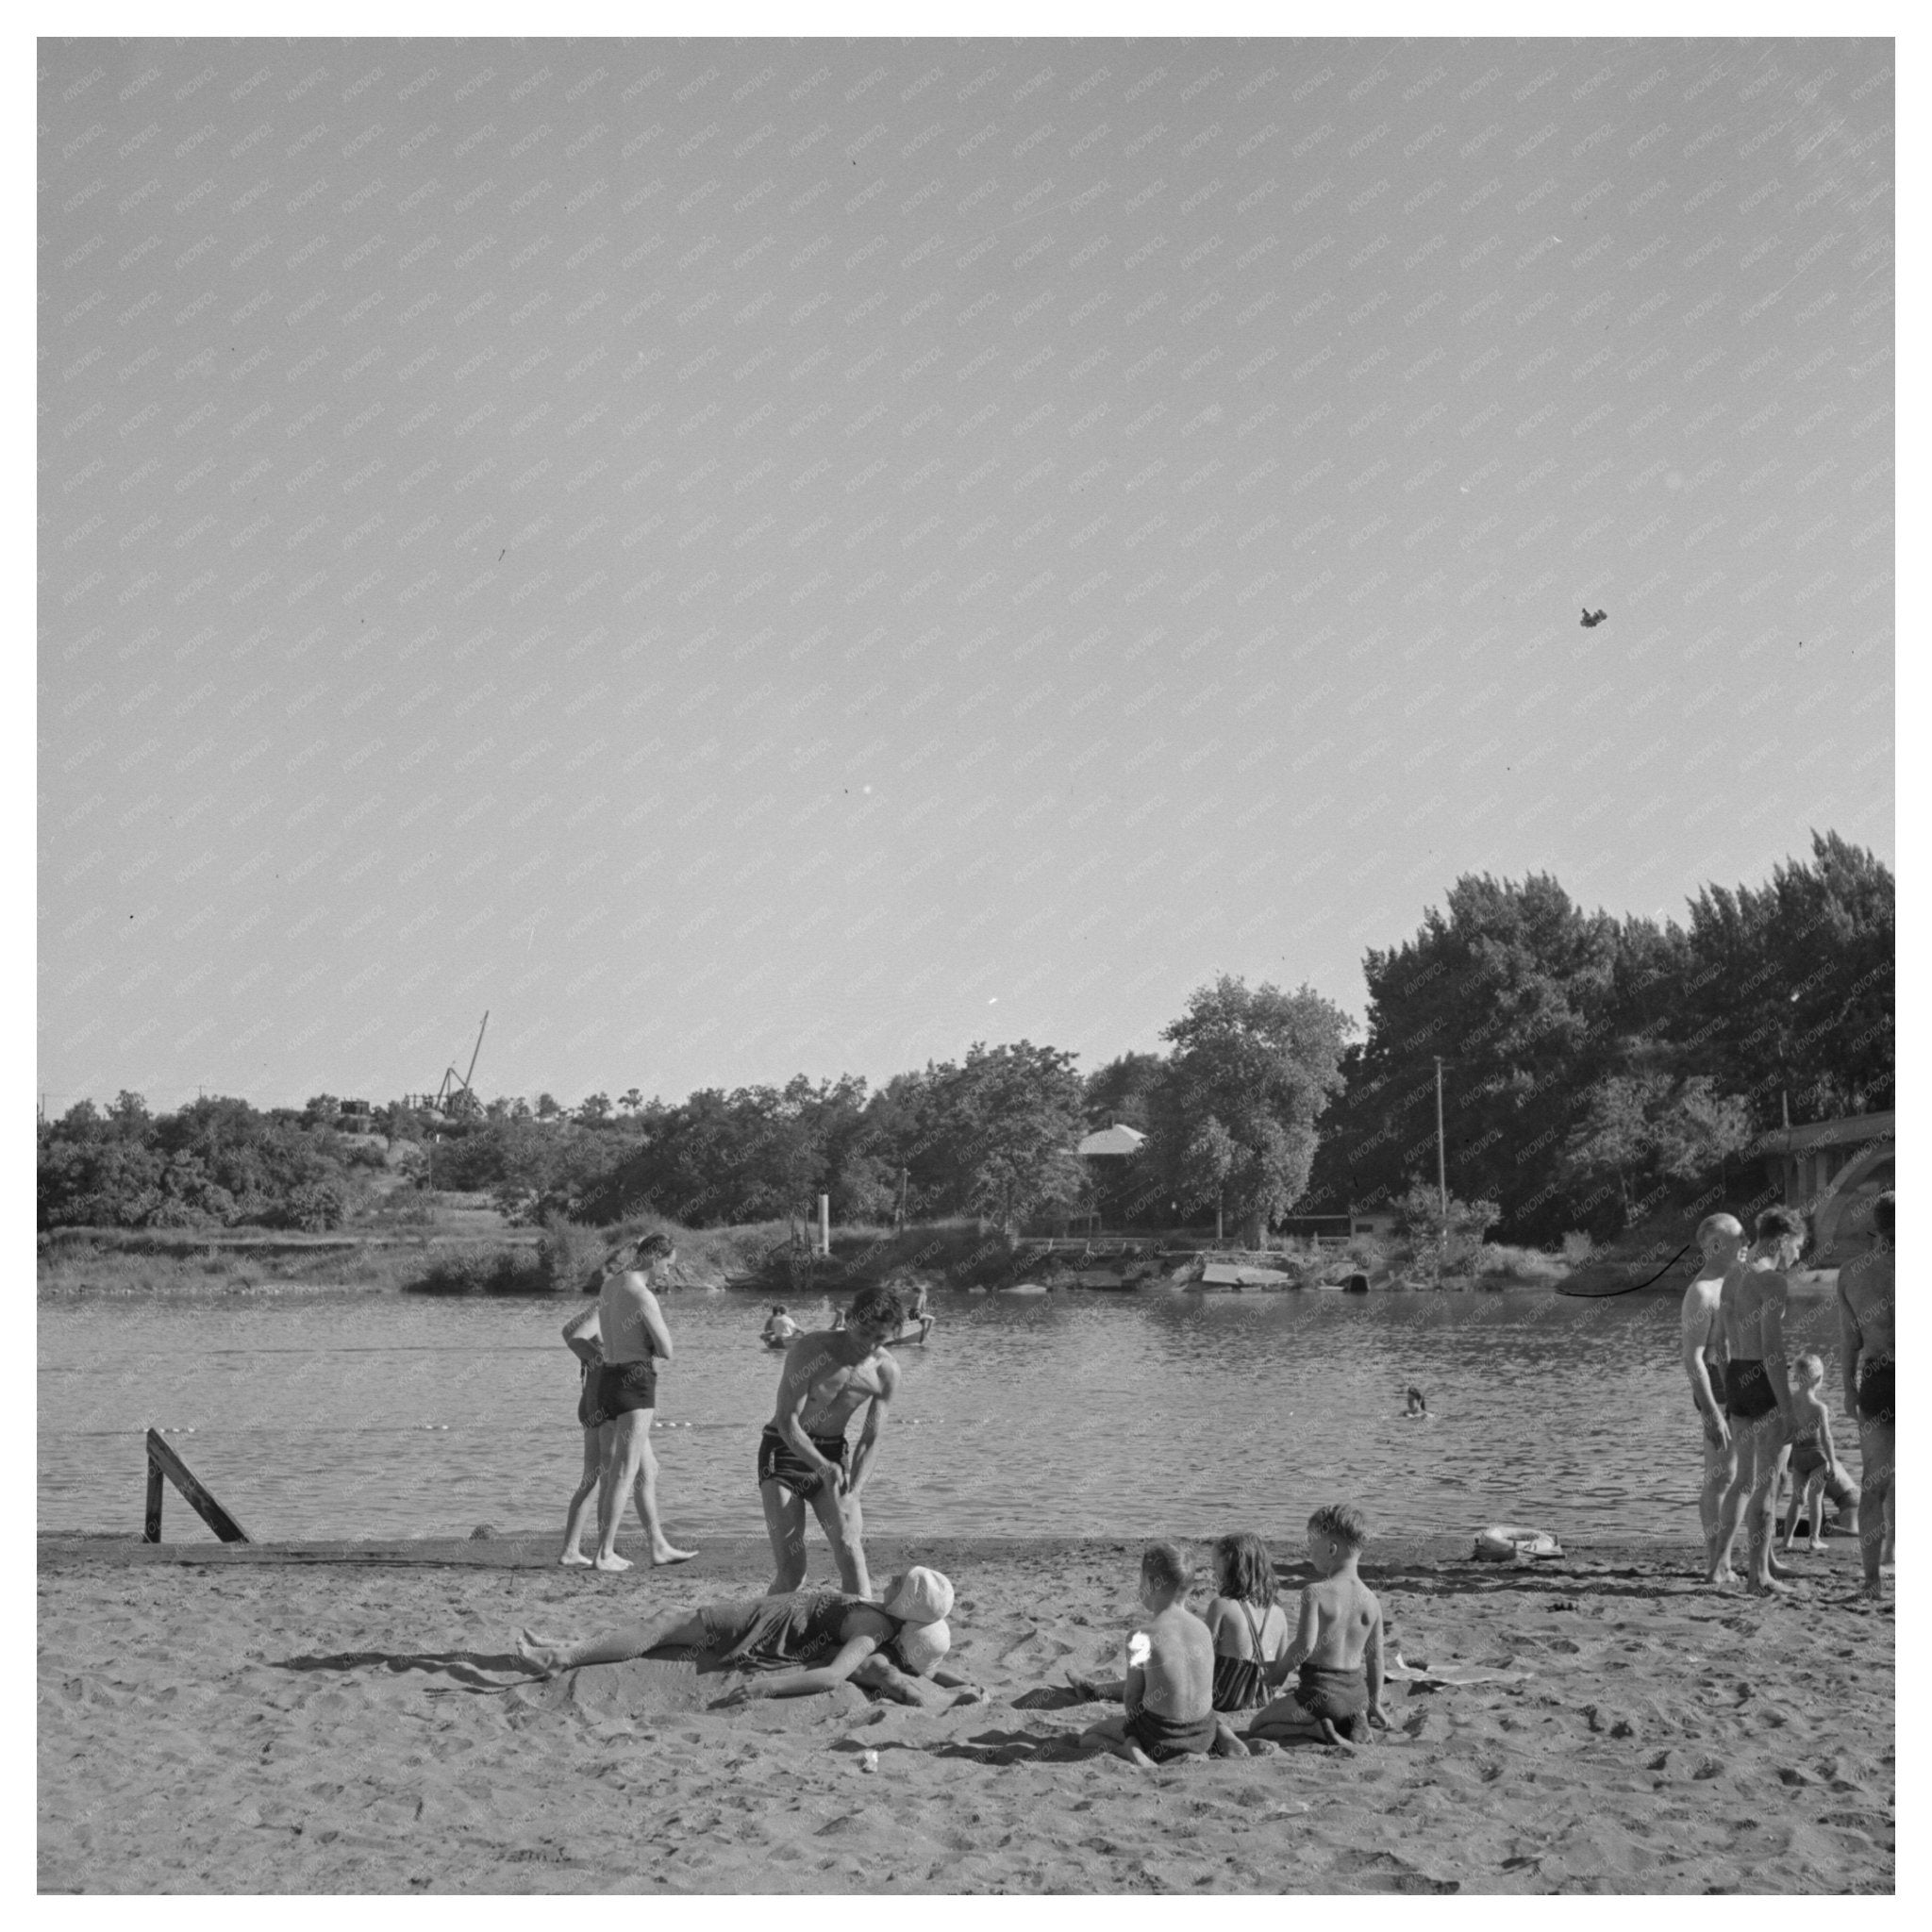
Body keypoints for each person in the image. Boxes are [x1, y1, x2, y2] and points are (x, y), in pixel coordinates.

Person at [516, 1566, 984, 1708]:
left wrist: (764, 1687)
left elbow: (832, 1677)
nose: (893, 1580)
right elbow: (932, 1668)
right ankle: (569, 1644)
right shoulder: (887, 1618)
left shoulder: (873, 1628)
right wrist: (966, 1688)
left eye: (902, 1584)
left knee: (664, 1625)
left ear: (907, 1604)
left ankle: (564, 1657)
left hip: (766, 1626)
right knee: (666, 1626)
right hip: (774, 1613)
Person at [758, 1283, 906, 1597]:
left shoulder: (886, 1371)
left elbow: (871, 1437)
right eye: (864, 1331)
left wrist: (856, 1488)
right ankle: (759, 1632)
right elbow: (787, 1422)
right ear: (850, 1318)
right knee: (793, 1575)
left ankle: (858, 1632)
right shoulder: (811, 1349)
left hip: (834, 1458)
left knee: (851, 1552)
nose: (869, 1343)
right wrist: (823, 1468)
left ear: (892, 1334)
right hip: (784, 1453)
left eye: (879, 1337)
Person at [1708, 1207, 1807, 1594]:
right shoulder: (1771, 1282)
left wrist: (1729, 1387)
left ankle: (1719, 1566)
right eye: (1797, 1248)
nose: (1798, 1258)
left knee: (1742, 1482)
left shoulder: (1732, 1275)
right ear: (1782, 1241)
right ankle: (1758, 1577)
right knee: (1766, 1484)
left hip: (1736, 1377)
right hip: (1763, 1383)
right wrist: (1787, 1410)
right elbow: (1773, 1353)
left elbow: (1719, 1343)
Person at [590, 1234, 696, 1573]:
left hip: (607, 1377)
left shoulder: (610, 1286)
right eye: (667, 1263)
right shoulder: (642, 1294)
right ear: (653, 1256)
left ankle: (658, 1546)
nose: (667, 1271)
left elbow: (608, 1334)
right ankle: (604, 1553)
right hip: (635, 1382)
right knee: (625, 1470)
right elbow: (667, 1349)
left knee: (647, 1469)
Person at [1246, 1504, 1391, 1749]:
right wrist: (1375, 1703)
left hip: (1320, 1696)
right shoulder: (1372, 1602)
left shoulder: (1315, 1593)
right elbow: (1376, 1659)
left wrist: (1281, 1672)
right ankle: (1352, 1722)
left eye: (1312, 1543)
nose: (1309, 1550)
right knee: (1344, 1707)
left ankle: (1318, 1730)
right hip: (1357, 1698)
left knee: (1257, 1726)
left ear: (1331, 1548)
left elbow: (1304, 1646)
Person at [1076, 1541, 1221, 1767]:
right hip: (1203, 1735)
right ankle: (1222, 1739)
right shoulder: (1202, 1629)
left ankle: (1135, 1753)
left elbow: (1132, 1697)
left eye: (1140, 1579)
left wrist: (1134, 1733)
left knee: (1090, 1737)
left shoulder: (1141, 1637)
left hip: (1161, 1739)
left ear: (1152, 1583)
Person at [1838, 1190, 1895, 1598]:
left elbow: (1850, 1340)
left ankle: (1872, 1581)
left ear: (1875, 1225)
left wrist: (1846, 1388)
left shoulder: (1852, 1272)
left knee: (1874, 1480)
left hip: (1877, 1377)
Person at [1683, 1212, 1744, 1575]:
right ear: (1717, 1246)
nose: (1745, 1245)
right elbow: (1692, 1359)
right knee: (1721, 1475)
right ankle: (1715, 1562)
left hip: (1744, 1383)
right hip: (1717, 1392)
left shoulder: (1737, 1281)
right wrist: (1711, 1413)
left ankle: (1735, 1559)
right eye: (1739, 1239)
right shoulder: (1701, 1292)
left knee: (1744, 1477)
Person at [1204, 1531, 1291, 1748]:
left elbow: (1203, 1659)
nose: (1212, 1574)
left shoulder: (1221, 1606)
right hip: (1262, 1698)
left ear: (1233, 1570)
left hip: (1225, 1697)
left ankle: (1106, 1690)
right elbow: (1281, 1671)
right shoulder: (1279, 1612)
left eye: (1216, 1568)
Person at [1779, 1353, 1858, 1554]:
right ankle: (1814, 1539)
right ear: (1818, 1379)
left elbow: (1785, 1433)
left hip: (1798, 1458)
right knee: (1815, 1498)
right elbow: (1827, 1439)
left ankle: (1787, 1540)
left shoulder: (1789, 1404)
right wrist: (1831, 1462)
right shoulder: (1819, 1407)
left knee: (1797, 1500)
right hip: (1818, 1458)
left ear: (1796, 1378)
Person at [557, 1299, 608, 1567]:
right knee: (606, 1478)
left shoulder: (606, 1305)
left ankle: (572, 1550)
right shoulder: (606, 1308)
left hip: (592, 1400)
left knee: (593, 1479)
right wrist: (603, 1362)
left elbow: (567, 1330)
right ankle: (603, 1553)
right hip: (601, 1402)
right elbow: (574, 1338)